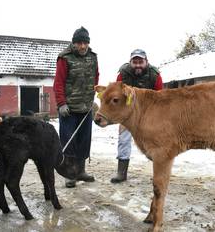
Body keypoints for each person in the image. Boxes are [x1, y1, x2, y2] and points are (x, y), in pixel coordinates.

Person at [53, 26, 99, 188]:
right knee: (68, 140)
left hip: (85, 108)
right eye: (79, 43)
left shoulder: (93, 57)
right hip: (69, 109)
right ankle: (69, 174)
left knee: (84, 140)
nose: (82, 46)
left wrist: (92, 99)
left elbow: (95, 78)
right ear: (74, 43)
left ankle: (81, 171)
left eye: (85, 43)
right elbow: (58, 83)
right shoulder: (65, 58)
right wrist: (61, 103)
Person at [111, 49, 163, 183]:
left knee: (155, 142)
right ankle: (121, 173)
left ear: (147, 62)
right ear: (130, 63)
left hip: (148, 114)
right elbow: (116, 94)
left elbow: (160, 97)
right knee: (123, 140)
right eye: (135, 62)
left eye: (141, 62)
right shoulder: (122, 74)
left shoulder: (155, 75)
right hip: (127, 114)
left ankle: (159, 173)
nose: (138, 65)